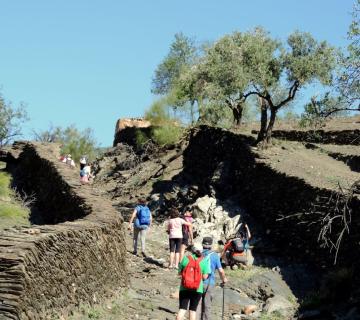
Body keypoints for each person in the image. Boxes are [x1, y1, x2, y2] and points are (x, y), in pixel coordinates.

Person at [176, 243, 211, 320]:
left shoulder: (185, 258)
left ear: (192, 250)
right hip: (197, 289)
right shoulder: (204, 261)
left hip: (184, 287)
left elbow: (179, 273)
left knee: (182, 309)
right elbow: (205, 277)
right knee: (193, 310)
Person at [197, 237, 228, 320]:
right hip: (209, 283)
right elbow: (221, 271)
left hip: (197, 283)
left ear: (202, 244)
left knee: (197, 305)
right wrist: (224, 279)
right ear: (211, 245)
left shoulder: (198, 254)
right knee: (207, 306)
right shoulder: (215, 256)